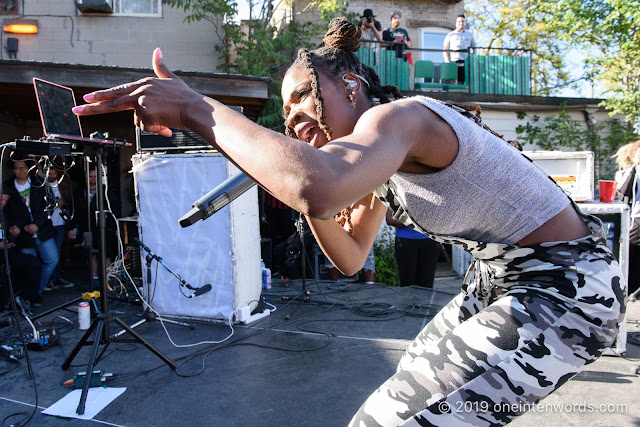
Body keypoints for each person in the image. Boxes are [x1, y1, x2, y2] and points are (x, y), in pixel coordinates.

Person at [72, 18, 625, 426]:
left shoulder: (400, 120)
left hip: (561, 285)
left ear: (349, 86)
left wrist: (198, 108)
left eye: (301, 102)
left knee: (387, 421)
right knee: (417, 382)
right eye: (285, 117)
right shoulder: (378, 166)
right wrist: (297, 190)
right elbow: (352, 255)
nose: (291, 122)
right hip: (500, 277)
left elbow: (319, 185)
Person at [4, 159, 59, 302]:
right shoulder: (8, 186)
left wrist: (37, 224)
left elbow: (50, 204)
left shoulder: (38, 182)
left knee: (52, 259)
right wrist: (20, 227)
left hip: (42, 230)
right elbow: (8, 212)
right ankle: (28, 297)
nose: (20, 171)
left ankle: (36, 292)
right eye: (17, 168)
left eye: (23, 167)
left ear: (29, 168)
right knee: (30, 266)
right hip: (23, 235)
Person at [386, 209, 440, 288]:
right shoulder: (397, 196)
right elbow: (389, 219)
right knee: (407, 283)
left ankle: (425, 300)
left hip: (429, 240)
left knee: (426, 284)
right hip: (405, 240)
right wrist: (413, 220)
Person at [614, 140, 640, 296]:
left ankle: (623, 293)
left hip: (637, 219)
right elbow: (623, 192)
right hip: (635, 217)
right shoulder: (631, 172)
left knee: (630, 254)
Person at [43, 167, 75, 291]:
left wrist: (63, 203)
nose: (52, 175)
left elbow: (69, 203)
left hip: (60, 223)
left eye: (54, 173)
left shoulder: (63, 185)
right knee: (53, 253)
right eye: (49, 173)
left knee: (57, 251)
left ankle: (56, 278)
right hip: (49, 224)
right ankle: (53, 279)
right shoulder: (43, 186)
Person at [443, 14, 477, 83]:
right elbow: (445, 49)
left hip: (465, 62)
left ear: (465, 23)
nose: (461, 23)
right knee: (451, 81)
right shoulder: (451, 34)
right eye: (459, 21)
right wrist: (447, 61)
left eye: (463, 21)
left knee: (463, 81)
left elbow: (474, 48)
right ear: (456, 23)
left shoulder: (470, 35)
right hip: (453, 62)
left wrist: (472, 59)